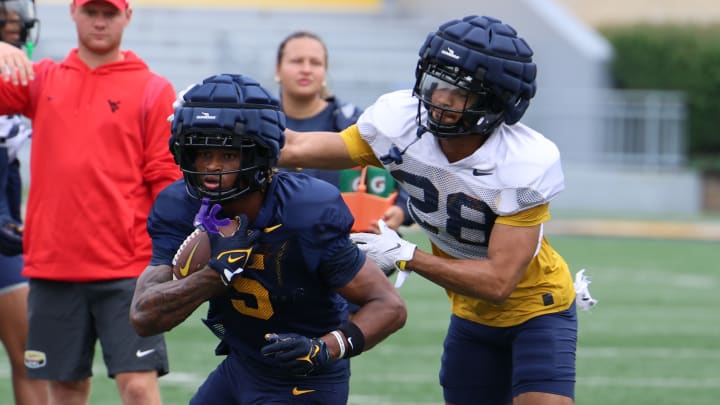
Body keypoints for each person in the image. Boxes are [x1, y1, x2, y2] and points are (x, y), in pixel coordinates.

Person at [278, 15, 597, 405]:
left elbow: (498, 282)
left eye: (460, 92)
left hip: (537, 307)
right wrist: (238, 129)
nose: (441, 98)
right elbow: (296, 148)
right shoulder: (400, 123)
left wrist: (405, 255)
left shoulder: (523, 162)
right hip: (469, 312)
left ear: (494, 101)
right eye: (437, 81)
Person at [130, 73, 407, 404]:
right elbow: (144, 318)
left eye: (228, 155)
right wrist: (215, 275)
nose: (212, 167)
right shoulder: (180, 205)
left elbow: (389, 306)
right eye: (202, 153)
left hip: (304, 376)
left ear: (259, 156)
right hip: (241, 365)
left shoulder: (305, 210)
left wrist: (322, 348)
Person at [0, 0, 180, 404]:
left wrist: (166, 259)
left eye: (109, 13)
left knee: (138, 386)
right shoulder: (41, 78)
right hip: (54, 267)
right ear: (73, 12)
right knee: (66, 390)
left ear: (127, 16)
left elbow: (166, 182)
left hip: (128, 269)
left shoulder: (152, 88)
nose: (100, 22)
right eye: (91, 12)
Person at [275, 30, 412, 233]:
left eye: (315, 63)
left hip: (349, 243)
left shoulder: (357, 123)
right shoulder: (260, 125)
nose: (306, 69)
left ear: (325, 71)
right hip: (276, 243)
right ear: (278, 70)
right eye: (297, 61)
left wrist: (400, 210)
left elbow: (410, 168)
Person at [0, 3, 48, 404]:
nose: (14, 18)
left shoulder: (21, 76)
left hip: (4, 232)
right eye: (5, 10)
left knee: (32, 353)